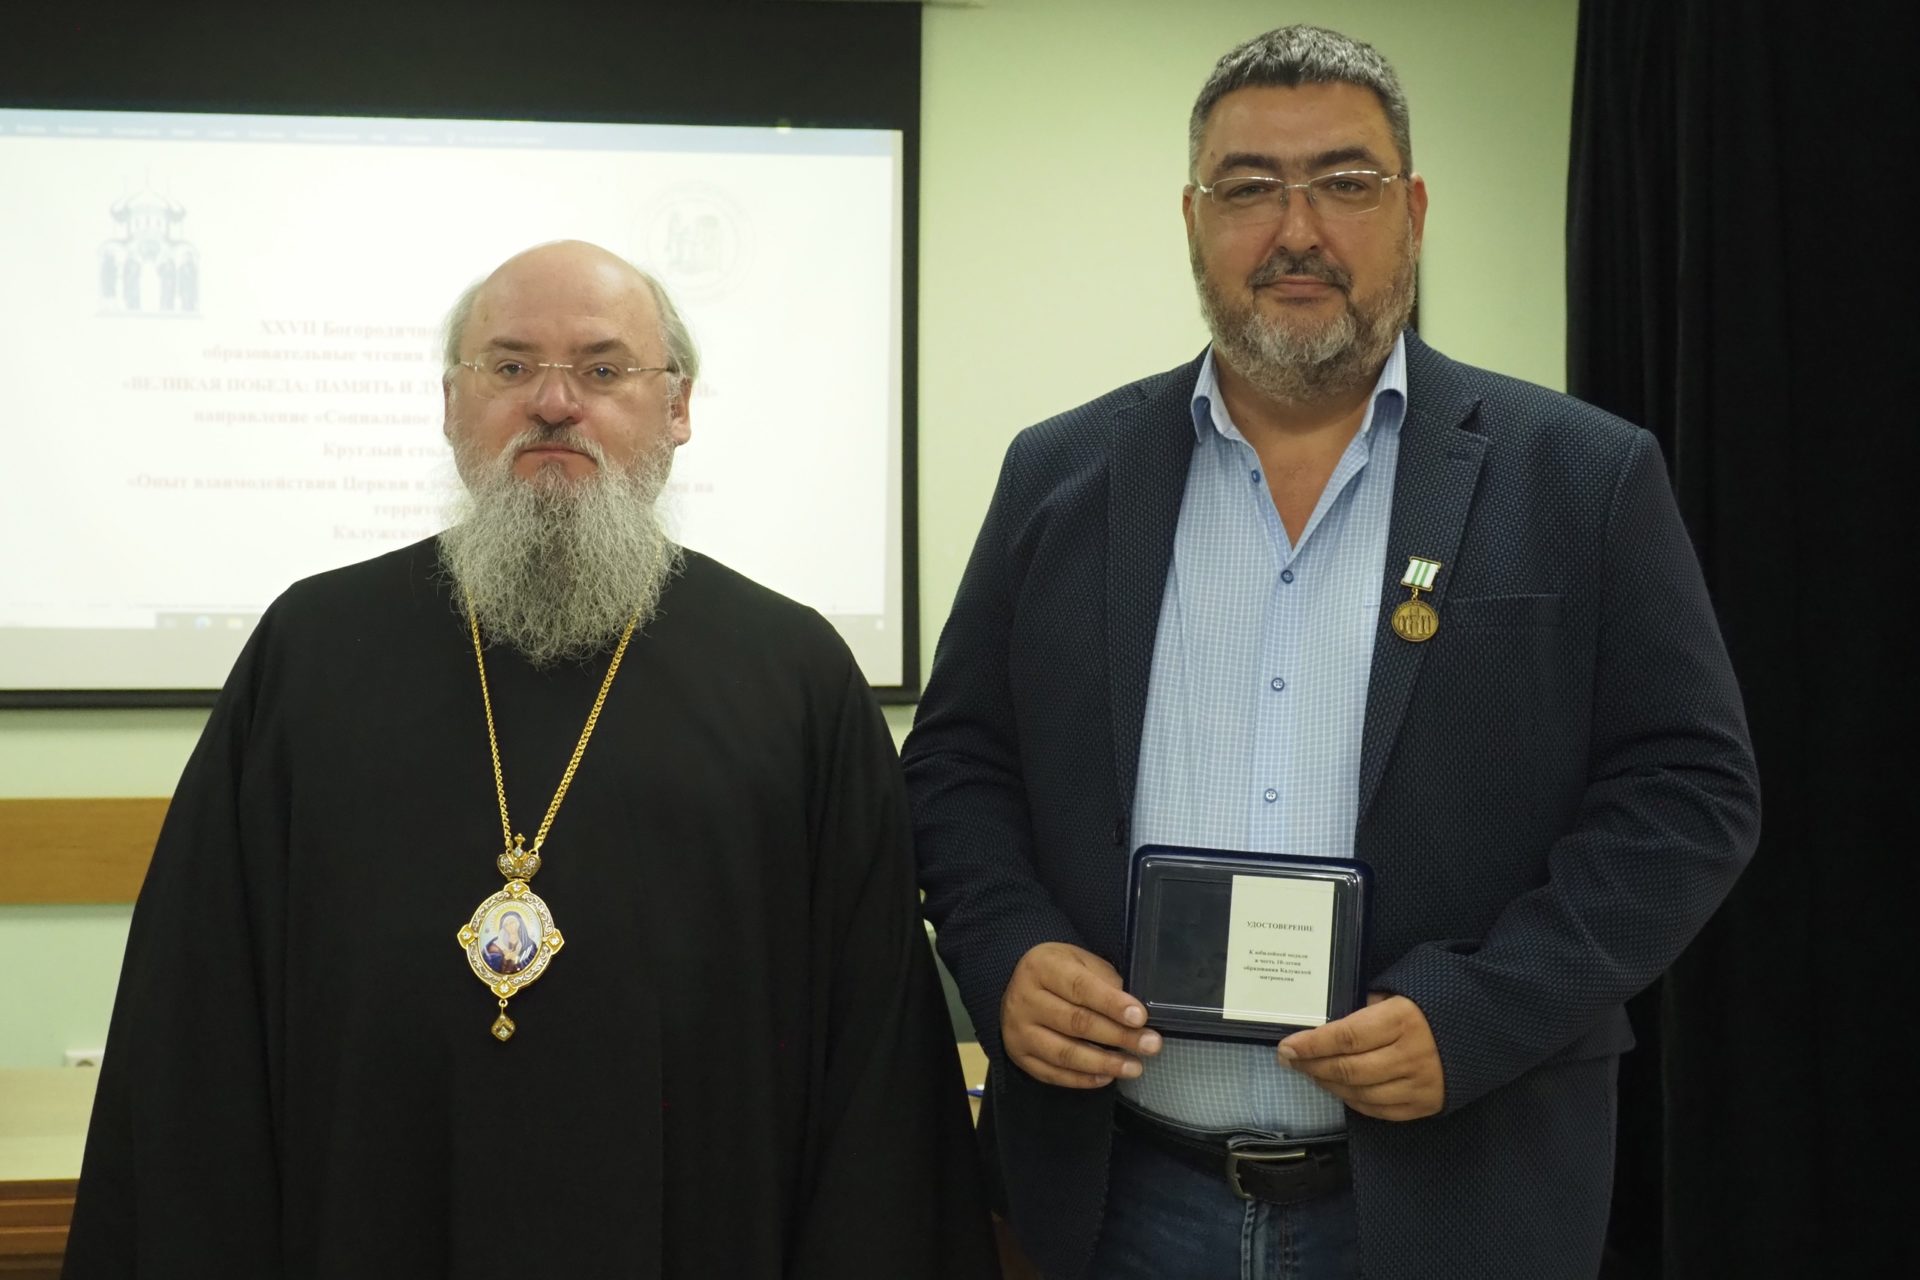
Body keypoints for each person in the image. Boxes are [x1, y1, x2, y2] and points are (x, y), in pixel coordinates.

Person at [902, 25, 1759, 1280]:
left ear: (1412, 211)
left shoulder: (1582, 475)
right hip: (1121, 1195)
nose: (1296, 229)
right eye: (1249, 186)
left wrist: (1480, 1012)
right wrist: (1006, 950)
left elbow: (1690, 793)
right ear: (1193, 219)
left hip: (1457, 1197)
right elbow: (959, 763)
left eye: (1346, 183)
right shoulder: (1061, 473)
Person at [64, 240, 996, 1278]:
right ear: (451, 405)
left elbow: (873, 1058)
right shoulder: (311, 650)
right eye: (509, 366)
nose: (555, 402)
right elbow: (197, 1022)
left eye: (604, 369)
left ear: (677, 408)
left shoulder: (794, 673)